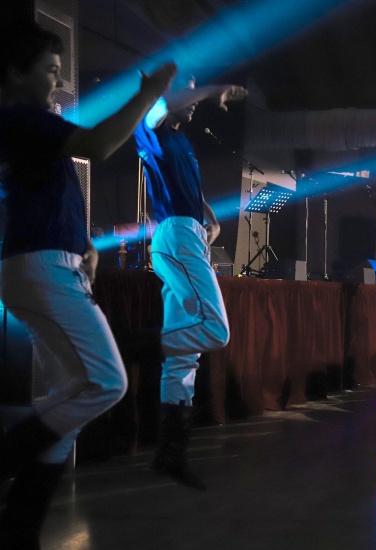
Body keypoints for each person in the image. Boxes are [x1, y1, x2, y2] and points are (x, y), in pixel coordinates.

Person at [0, 22, 176, 546]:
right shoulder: (24, 118)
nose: (58, 81)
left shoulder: (27, 124)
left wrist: (84, 243)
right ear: (15, 73)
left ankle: (19, 532)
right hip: (43, 269)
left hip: (47, 264)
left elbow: (43, 197)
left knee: (70, 402)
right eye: (51, 71)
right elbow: (97, 146)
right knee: (104, 384)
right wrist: (147, 94)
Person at [134, 74, 247, 490]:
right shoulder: (152, 125)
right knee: (215, 329)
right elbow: (163, 104)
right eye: (190, 90)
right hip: (177, 235)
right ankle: (130, 346)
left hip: (187, 233)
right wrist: (213, 89)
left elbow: (188, 190)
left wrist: (210, 219)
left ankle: (171, 455)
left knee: (183, 357)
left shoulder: (180, 140)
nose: (195, 100)